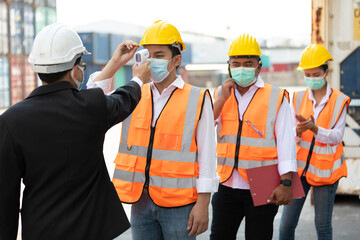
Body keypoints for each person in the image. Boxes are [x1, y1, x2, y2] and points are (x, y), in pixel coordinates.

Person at [0, 23, 151, 240]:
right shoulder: (90, 107)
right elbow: (122, 100)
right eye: (81, 64)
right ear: (74, 69)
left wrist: (115, 63)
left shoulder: (10, 121)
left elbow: (5, 197)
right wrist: (138, 79)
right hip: (93, 230)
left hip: (41, 231)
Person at [87, 20, 219, 240]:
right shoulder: (134, 93)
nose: (151, 61)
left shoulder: (197, 97)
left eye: (159, 55)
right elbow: (93, 100)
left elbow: (207, 155)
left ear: (176, 60)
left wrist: (203, 204)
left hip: (180, 205)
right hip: (140, 201)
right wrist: (115, 62)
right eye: (147, 55)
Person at [210, 34, 297, 240]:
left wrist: (286, 183)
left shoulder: (276, 96)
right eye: (236, 63)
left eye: (248, 64)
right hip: (226, 181)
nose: (242, 68)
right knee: (219, 236)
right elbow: (204, 128)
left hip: (263, 182)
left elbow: (286, 142)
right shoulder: (220, 94)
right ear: (229, 66)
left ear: (258, 67)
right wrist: (221, 99)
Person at [279, 44, 351, 240]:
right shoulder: (297, 98)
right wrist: (298, 130)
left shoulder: (339, 100)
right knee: (286, 225)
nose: (311, 78)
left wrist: (315, 129)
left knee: (322, 226)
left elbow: (337, 137)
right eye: (307, 74)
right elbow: (288, 134)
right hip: (299, 170)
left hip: (325, 173)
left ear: (326, 72)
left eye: (315, 74)